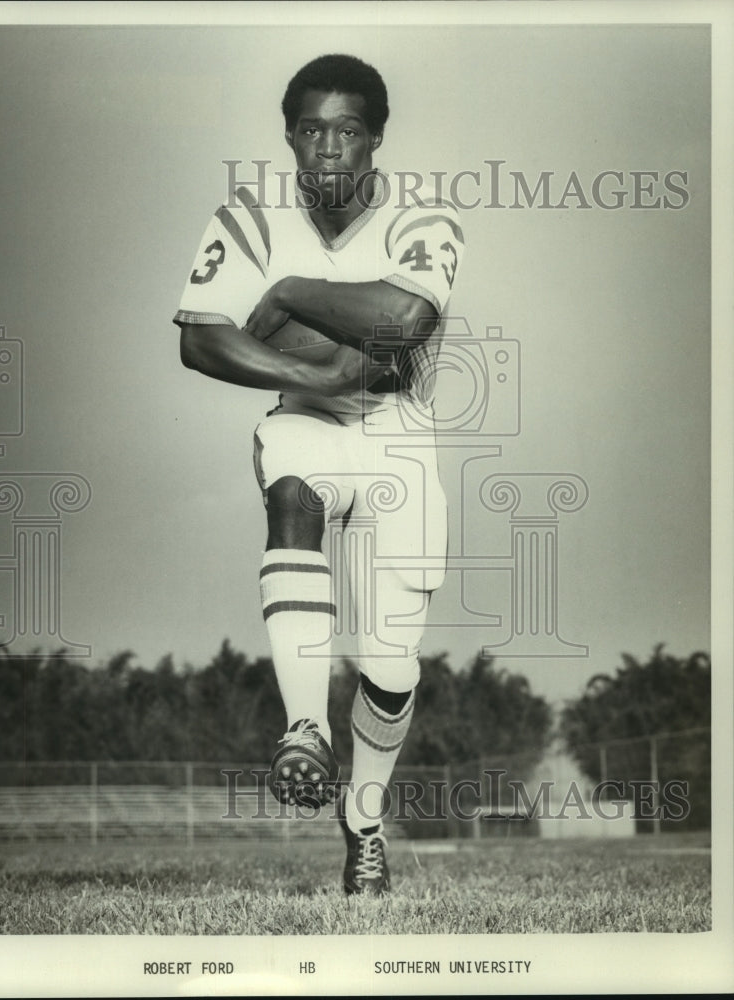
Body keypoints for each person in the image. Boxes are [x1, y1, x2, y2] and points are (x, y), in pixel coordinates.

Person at [175, 53, 464, 895]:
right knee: (290, 496)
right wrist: (316, 376)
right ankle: (304, 728)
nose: (327, 148)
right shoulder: (247, 217)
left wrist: (294, 293)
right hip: (306, 417)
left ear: (375, 138)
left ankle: (363, 823)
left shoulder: (426, 215)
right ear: (290, 137)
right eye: (311, 130)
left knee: (391, 664)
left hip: (398, 431)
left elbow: (404, 317)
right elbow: (198, 336)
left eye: (346, 131)